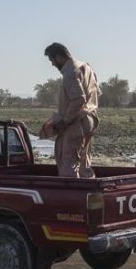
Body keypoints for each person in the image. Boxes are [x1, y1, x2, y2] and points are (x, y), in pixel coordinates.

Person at [40, 42, 100, 178]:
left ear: (59, 57)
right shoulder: (86, 67)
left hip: (76, 122)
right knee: (84, 164)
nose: (52, 64)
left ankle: (73, 197)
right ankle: (89, 193)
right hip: (90, 119)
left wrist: (65, 121)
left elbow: (78, 99)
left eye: (52, 60)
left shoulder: (70, 72)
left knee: (68, 164)